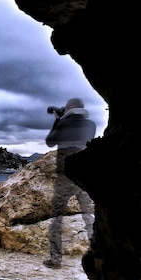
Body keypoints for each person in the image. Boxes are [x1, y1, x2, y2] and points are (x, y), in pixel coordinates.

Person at [43, 97, 96, 268]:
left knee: (57, 217)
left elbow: (50, 141)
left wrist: (58, 120)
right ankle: (97, 254)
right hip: (85, 177)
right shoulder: (91, 125)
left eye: (66, 108)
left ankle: (56, 259)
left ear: (71, 108)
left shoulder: (63, 124)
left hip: (64, 176)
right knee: (89, 216)